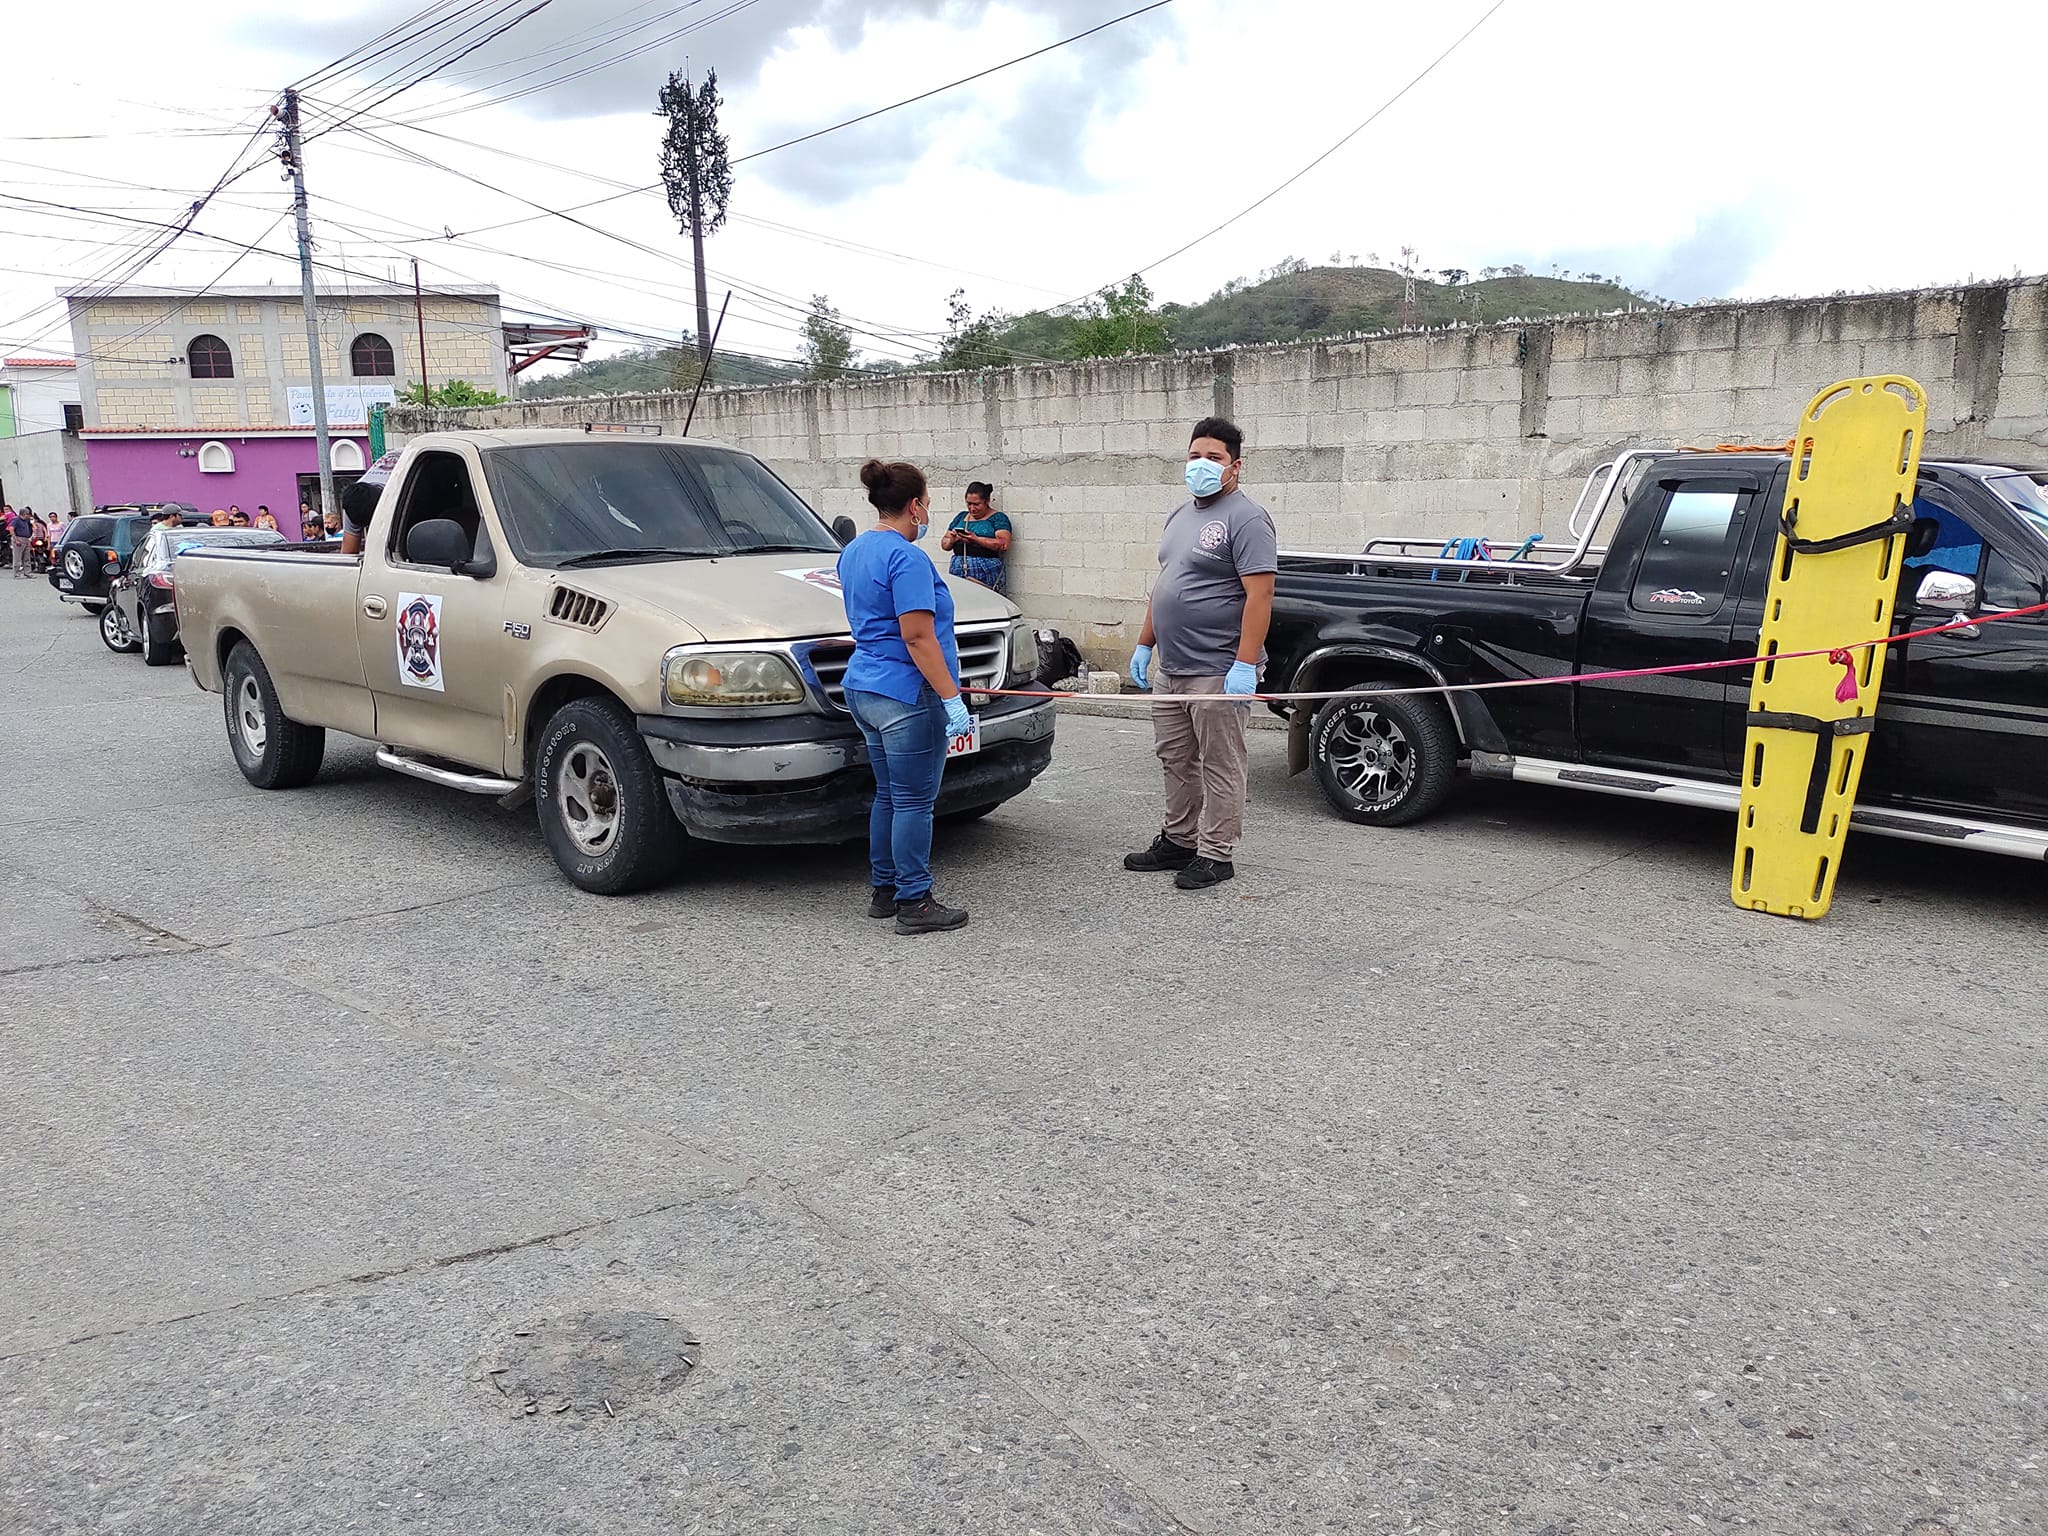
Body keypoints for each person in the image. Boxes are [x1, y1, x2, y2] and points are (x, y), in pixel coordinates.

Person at [1123, 416, 1278, 891]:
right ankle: (1179, 838)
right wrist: (1145, 643)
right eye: (1195, 456)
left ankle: (1216, 853)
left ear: (1235, 466)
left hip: (1217, 668)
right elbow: (1165, 585)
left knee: (1221, 762)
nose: (1201, 465)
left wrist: (1244, 664)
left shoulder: (1247, 518)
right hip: (1172, 666)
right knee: (1174, 757)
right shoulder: (1179, 516)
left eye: (1213, 458)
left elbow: (1260, 596)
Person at [837, 458, 975, 936]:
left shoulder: (853, 550)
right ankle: (914, 900)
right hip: (905, 694)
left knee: (890, 795)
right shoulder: (908, 557)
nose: (929, 514)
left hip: (864, 688)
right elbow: (918, 637)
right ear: (914, 507)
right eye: (929, 505)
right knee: (915, 800)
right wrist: (951, 697)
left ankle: (885, 889)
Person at [940, 481, 1011, 592]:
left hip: (985, 570)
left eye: (976, 504)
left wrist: (976, 539)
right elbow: (944, 543)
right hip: (959, 569)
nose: (972, 508)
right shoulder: (961, 517)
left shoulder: (998, 518)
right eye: (969, 504)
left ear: (987, 501)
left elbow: (1003, 544)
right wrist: (952, 541)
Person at [9, 504, 33, 577]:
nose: (28, 516)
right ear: (23, 514)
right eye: (27, 514)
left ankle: (27, 573)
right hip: (19, 538)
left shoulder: (26, 521)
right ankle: (17, 573)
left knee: (27, 557)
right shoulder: (16, 519)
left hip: (26, 539)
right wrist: (16, 540)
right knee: (17, 557)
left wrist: (29, 539)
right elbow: (11, 529)